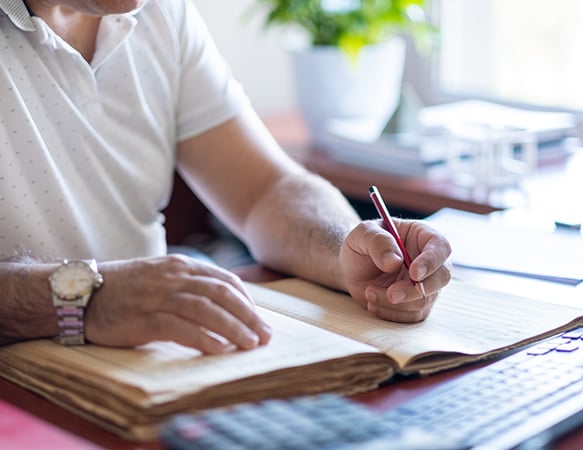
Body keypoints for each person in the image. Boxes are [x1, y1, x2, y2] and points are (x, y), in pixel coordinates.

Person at [0, 0, 452, 354]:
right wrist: (84, 299)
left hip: (153, 370)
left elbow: (263, 189)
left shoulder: (160, 11)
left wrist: (344, 250)